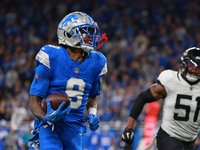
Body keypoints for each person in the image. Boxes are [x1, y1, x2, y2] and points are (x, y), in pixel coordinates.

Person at [28, 11, 108, 150]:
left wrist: (93, 114)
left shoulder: (97, 62)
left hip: (75, 128)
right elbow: (34, 102)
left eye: (92, 31)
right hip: (50, 127)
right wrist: (46, 117)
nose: (91, 36)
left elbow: (93, 97)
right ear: (68, 33)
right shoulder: (52, 56)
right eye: (85, 31)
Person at [122, 47, 200, 150]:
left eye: (199, 66)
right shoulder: (171, 80)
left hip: (190, 141)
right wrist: (128, 128)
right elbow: (142, 98)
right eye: (191, 64)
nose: (195, 68)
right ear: (184, 64)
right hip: (169, 136)